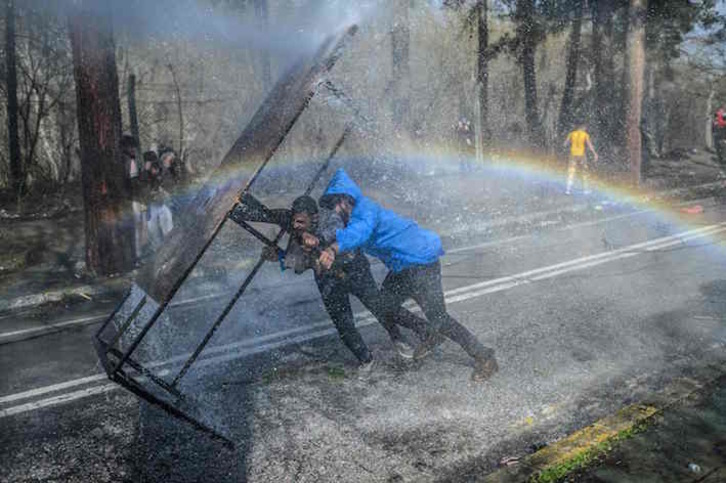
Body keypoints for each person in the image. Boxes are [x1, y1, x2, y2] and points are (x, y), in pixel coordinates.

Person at [315, 169, 498, 382]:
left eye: (334, 205)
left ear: (345, 200)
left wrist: (332, 250)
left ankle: (485, 357)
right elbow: (347, 237)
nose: (335, 212)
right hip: (405, 266)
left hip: (420, 262)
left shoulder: (365, 211)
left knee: (438, 317)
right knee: (383, 304)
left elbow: (358, 233)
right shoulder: (355, 218)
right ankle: (429, 333)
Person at [230, 194, 434, 376]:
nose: (297, 224)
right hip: (327, 277)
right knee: (343, 322)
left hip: (353, 269)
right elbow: (267, 216)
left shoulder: (330, 219)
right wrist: (279, 255)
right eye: (294, 220)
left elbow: (334, 234)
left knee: (379, 306)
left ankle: (417, 332)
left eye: (302, 221)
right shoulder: (292, 221)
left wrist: (315, 240)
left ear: (315, 217)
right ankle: (365, 359)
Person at [144, 154, 173, 251]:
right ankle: (157, 249)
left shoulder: (163, 172)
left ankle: (169, 247)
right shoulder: (145, 174)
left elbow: (169, 186)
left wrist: (162, 191)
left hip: (162, 204)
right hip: (151, 205)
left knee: (167, 228)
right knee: (153, 230)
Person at [563, 123, 598, 195]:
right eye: (585, 128)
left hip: (573, 154)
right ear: (583, 127)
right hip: (581, 155)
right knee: (584, 171)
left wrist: (568, 144)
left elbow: (565, 143)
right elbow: (589, 145)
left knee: (571, 171)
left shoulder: (571, 134)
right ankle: (585, 190)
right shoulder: (585, 135)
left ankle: (568, 189)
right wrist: (594, 153)